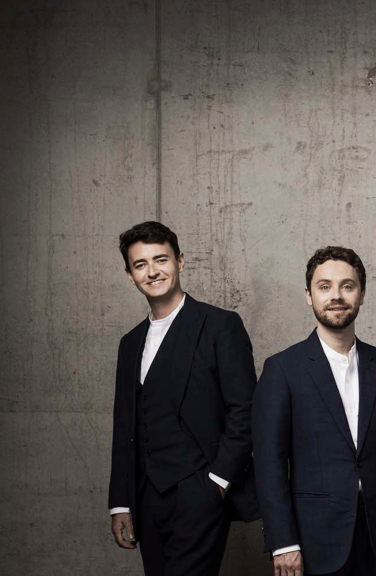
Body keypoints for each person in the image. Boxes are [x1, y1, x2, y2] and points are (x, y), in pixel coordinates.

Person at [253, 246, 376, 576]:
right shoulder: (282, 369)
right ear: (309, 295)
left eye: (347, 286)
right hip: (311, 539)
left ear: (362, 294)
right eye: (324, 286)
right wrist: (283, 542)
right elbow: (269, 463)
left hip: (375, 535)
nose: (336, 296)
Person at [107, 221, 259, 576]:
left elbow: (245, 410)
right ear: (130, 275)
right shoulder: (130, 343)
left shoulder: (220, 325)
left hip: (200, 491)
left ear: (180, 261)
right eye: (140, 264)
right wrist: (121, 503)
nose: (152, 271)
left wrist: (218, 483)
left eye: (161, 259)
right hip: (146, 498)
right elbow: (124, 426)